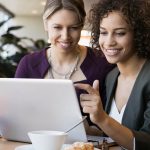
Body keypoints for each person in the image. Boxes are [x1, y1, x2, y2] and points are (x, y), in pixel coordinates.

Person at [15, 0, 114, 135]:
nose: (65, 36)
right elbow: (17, 117)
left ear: (82, 25)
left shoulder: (103, 63)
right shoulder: (28, 64)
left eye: (73, 27)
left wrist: (92, 129)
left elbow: (116, 125)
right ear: (46, 24)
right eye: (57, 27)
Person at [75, 0, 150, 149]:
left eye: (120, 33)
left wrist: (102, 119)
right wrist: (88, 130)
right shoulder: (111, 77)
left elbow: (147, 143)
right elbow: (115, 135)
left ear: (139, 34)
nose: (108, 42)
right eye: (103, 32)